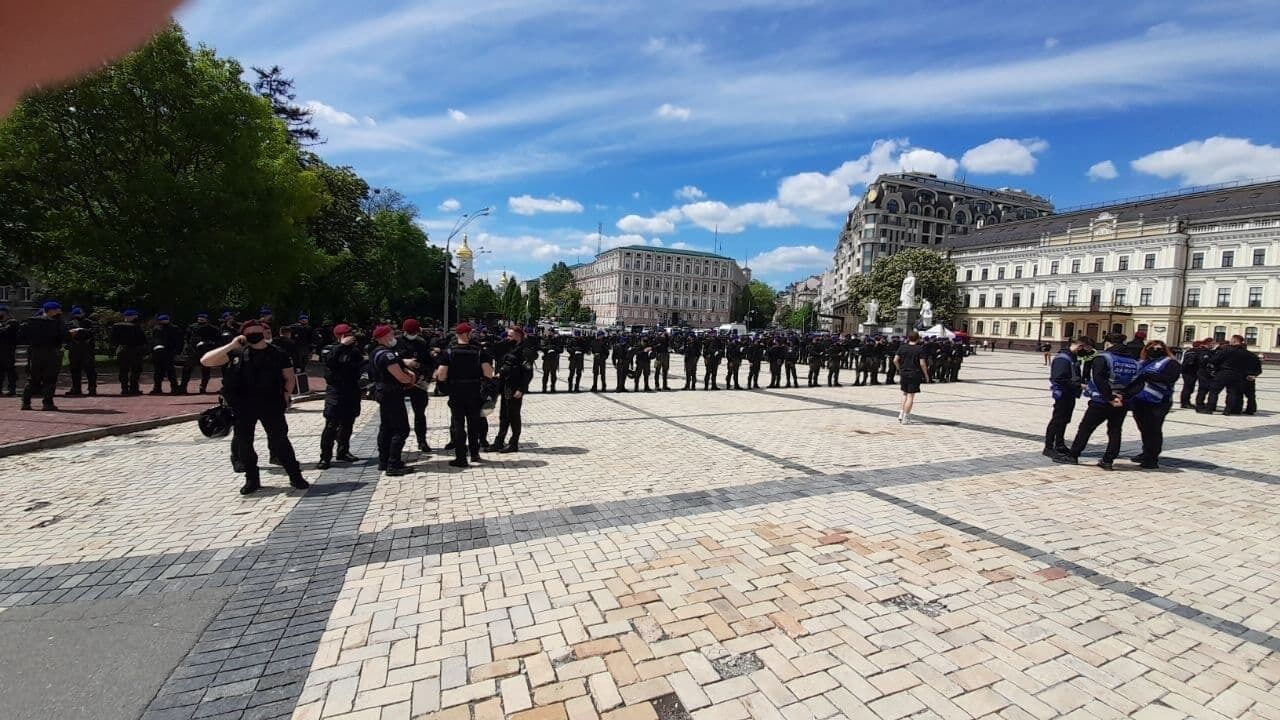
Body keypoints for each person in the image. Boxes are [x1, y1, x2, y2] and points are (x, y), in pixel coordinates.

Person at [201, 319, 309, 494]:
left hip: (271, 403)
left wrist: (286, 395)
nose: (254, 334)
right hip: (242, 405)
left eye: (257, 331)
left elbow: (289, 377)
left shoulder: (277, 353)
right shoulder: (236, 352)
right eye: (249, 332)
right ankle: (252, 479)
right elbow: (206, 361)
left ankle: (295, 476)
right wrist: (231, 344)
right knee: (244, 443)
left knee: (280, 441)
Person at [1055, 333, 1140, 470]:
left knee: (1086, 428)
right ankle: (1108, 460)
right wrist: (1123, 396)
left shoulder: (1103, 358)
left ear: (1107, 343)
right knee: (1115, 431)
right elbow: (1138, 384)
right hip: (1121, 402)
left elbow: (1099, 379)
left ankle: (1073, 455)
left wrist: (1110, 397)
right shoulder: (1134, 362)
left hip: (1101, 401)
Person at [434, 323, 495, 468]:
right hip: (474, 390)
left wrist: (445, 388)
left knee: (458, 424)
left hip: (456, 391)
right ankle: (475, 453)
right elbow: (488, 373)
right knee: (474, 423)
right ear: (468, 334)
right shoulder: (479, 351)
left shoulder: (449, 352)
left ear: (457, 334)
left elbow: (441, 374)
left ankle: (461, 458)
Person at [1121, 340, 1181, 469]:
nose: (1154, 350)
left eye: (1158, 348)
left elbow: (1170, 378)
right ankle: (1146, 452)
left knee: (1153, 430)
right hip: (1140, 401)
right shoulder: (1142, 362)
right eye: (1151, 348)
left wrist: (1148, 376)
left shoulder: (1170, 362)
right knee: (1144, 428)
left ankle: (1152, 458)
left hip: (1158, 402)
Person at [369, 324, 416, 475]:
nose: (393, 337)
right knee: (401, 429)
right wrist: (410, 378)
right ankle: (394, 464)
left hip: (383, 393)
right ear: (384, 337)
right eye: (391, 334)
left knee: (386, 428)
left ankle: (384, 460)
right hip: (392, 394)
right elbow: (400, 376)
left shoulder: (376, 352)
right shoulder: (387, 355)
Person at [317, 323, 364, 470]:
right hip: (335, 391)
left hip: (351, 390)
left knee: (348, 423)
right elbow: (330, 362)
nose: (352, 337)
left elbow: (359, 366)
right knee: (331, 425)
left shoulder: (354, 351)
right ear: (340, 336)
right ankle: (325, 457)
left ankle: (343, 451)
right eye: (348, 334)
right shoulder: (329, 349)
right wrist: (341, 346)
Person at [1044, 337, 1090, 457]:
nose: (1085, 353)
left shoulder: (1071, 357)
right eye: (1086, 349)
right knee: (1057, 420)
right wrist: (1079, 385)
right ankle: (1048, 447)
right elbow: (1059, 378)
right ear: (1080, 347)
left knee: (1064, 420)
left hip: (1070, 393)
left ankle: (1060, 444)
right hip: (1062, 393)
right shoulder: (1063, 358)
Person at [19, 300, 65, 411]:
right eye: (58, 309)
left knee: (33, 378)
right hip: (51, 353)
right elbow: (63, 336)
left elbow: (22, 336)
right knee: (50, 378)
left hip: (35, 353)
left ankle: (26, 402)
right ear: (52, 310)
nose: (60, 312)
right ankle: (47, 403)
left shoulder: (32, 322)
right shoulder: (56, 322)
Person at [399, 318, 435, 453]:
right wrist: (404, 362)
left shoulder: (421, 343)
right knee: (398, 414)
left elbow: (429, 363)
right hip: (400, 382)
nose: (412, 334)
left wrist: (424, 374)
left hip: (418, 383)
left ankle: (422, 441)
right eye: (410, 332)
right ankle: (397, 443)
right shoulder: (397, 343)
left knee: (420, 414)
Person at [493, 327, 531, 453]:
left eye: (510, 335)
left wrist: (521, 389)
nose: (507, 338)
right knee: (504, 415)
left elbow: (528, 374)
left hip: (515, 388)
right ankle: (499, 441)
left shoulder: (524, 351)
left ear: (518, 336)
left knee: (514, 416)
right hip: (506, 386)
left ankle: (514, 443)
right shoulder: (511, 348)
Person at [180, 313, 220, 394]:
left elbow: (217, 339)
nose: (201, 319)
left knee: (206, 371)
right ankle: (183, 387)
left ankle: (203, 387)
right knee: (187, 370)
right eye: (199, 317)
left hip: (206, 352)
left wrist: (209, 344)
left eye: (203, 318)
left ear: (207, 319)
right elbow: (187, 339)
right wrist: (188, 348)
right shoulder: (192, 327)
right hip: (193, 351)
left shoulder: (212, 328)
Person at [893, 332, 928, 424]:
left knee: (904, 393)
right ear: (918, 339)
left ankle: (901, 413)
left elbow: (895, 360)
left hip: (904, 372)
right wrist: (926, 374)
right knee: (910, 396)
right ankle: (906, 417)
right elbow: (922, 363)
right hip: (914, 373)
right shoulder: (919, 349)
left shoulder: (902, 347)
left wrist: (899, 369)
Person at [64, 305, 99, 396]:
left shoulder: (90, 322)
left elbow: (94, 332)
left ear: (83, 313)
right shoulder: (70, 323)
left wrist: (83, 331)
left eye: (79, 313)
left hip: (87, 348)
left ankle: (92, 388)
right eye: (76, 314)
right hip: (74, 348)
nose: (78, 315)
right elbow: (66, 335)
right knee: (75, 370)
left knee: (90, 369)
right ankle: (76, 388)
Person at [111, 309, 147, 395]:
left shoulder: (116, 326)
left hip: (122, 349)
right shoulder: (136, 326)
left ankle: (124, 388)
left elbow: (113, 339)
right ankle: (134, 388)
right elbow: (142, 339)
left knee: (123, 370)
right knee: (136, 370)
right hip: (134, 349)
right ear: (133, 316)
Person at [149, 314, 184, 394]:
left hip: (163, 352)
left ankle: (158, 388)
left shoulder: (157, 328)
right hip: (167, 352)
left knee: (160, 371)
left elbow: (153, 340)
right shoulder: (173, 328)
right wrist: (177, 351)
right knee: (168, 371)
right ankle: (173, 388)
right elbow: (179, 341)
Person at [1177, 341, 1205, 409]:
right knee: (1188, 388)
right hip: (1190, 372)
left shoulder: (1189, 351)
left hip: (1186, 372)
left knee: (1187, 387)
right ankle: (1185, 403)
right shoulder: (1195, 352)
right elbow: (1191, 362)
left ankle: (1185, 402)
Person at [0, 304, 18, 396]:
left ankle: (12, 389)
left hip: (8, 351)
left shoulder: (12, 322)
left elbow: (4, 331)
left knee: (10, 371)